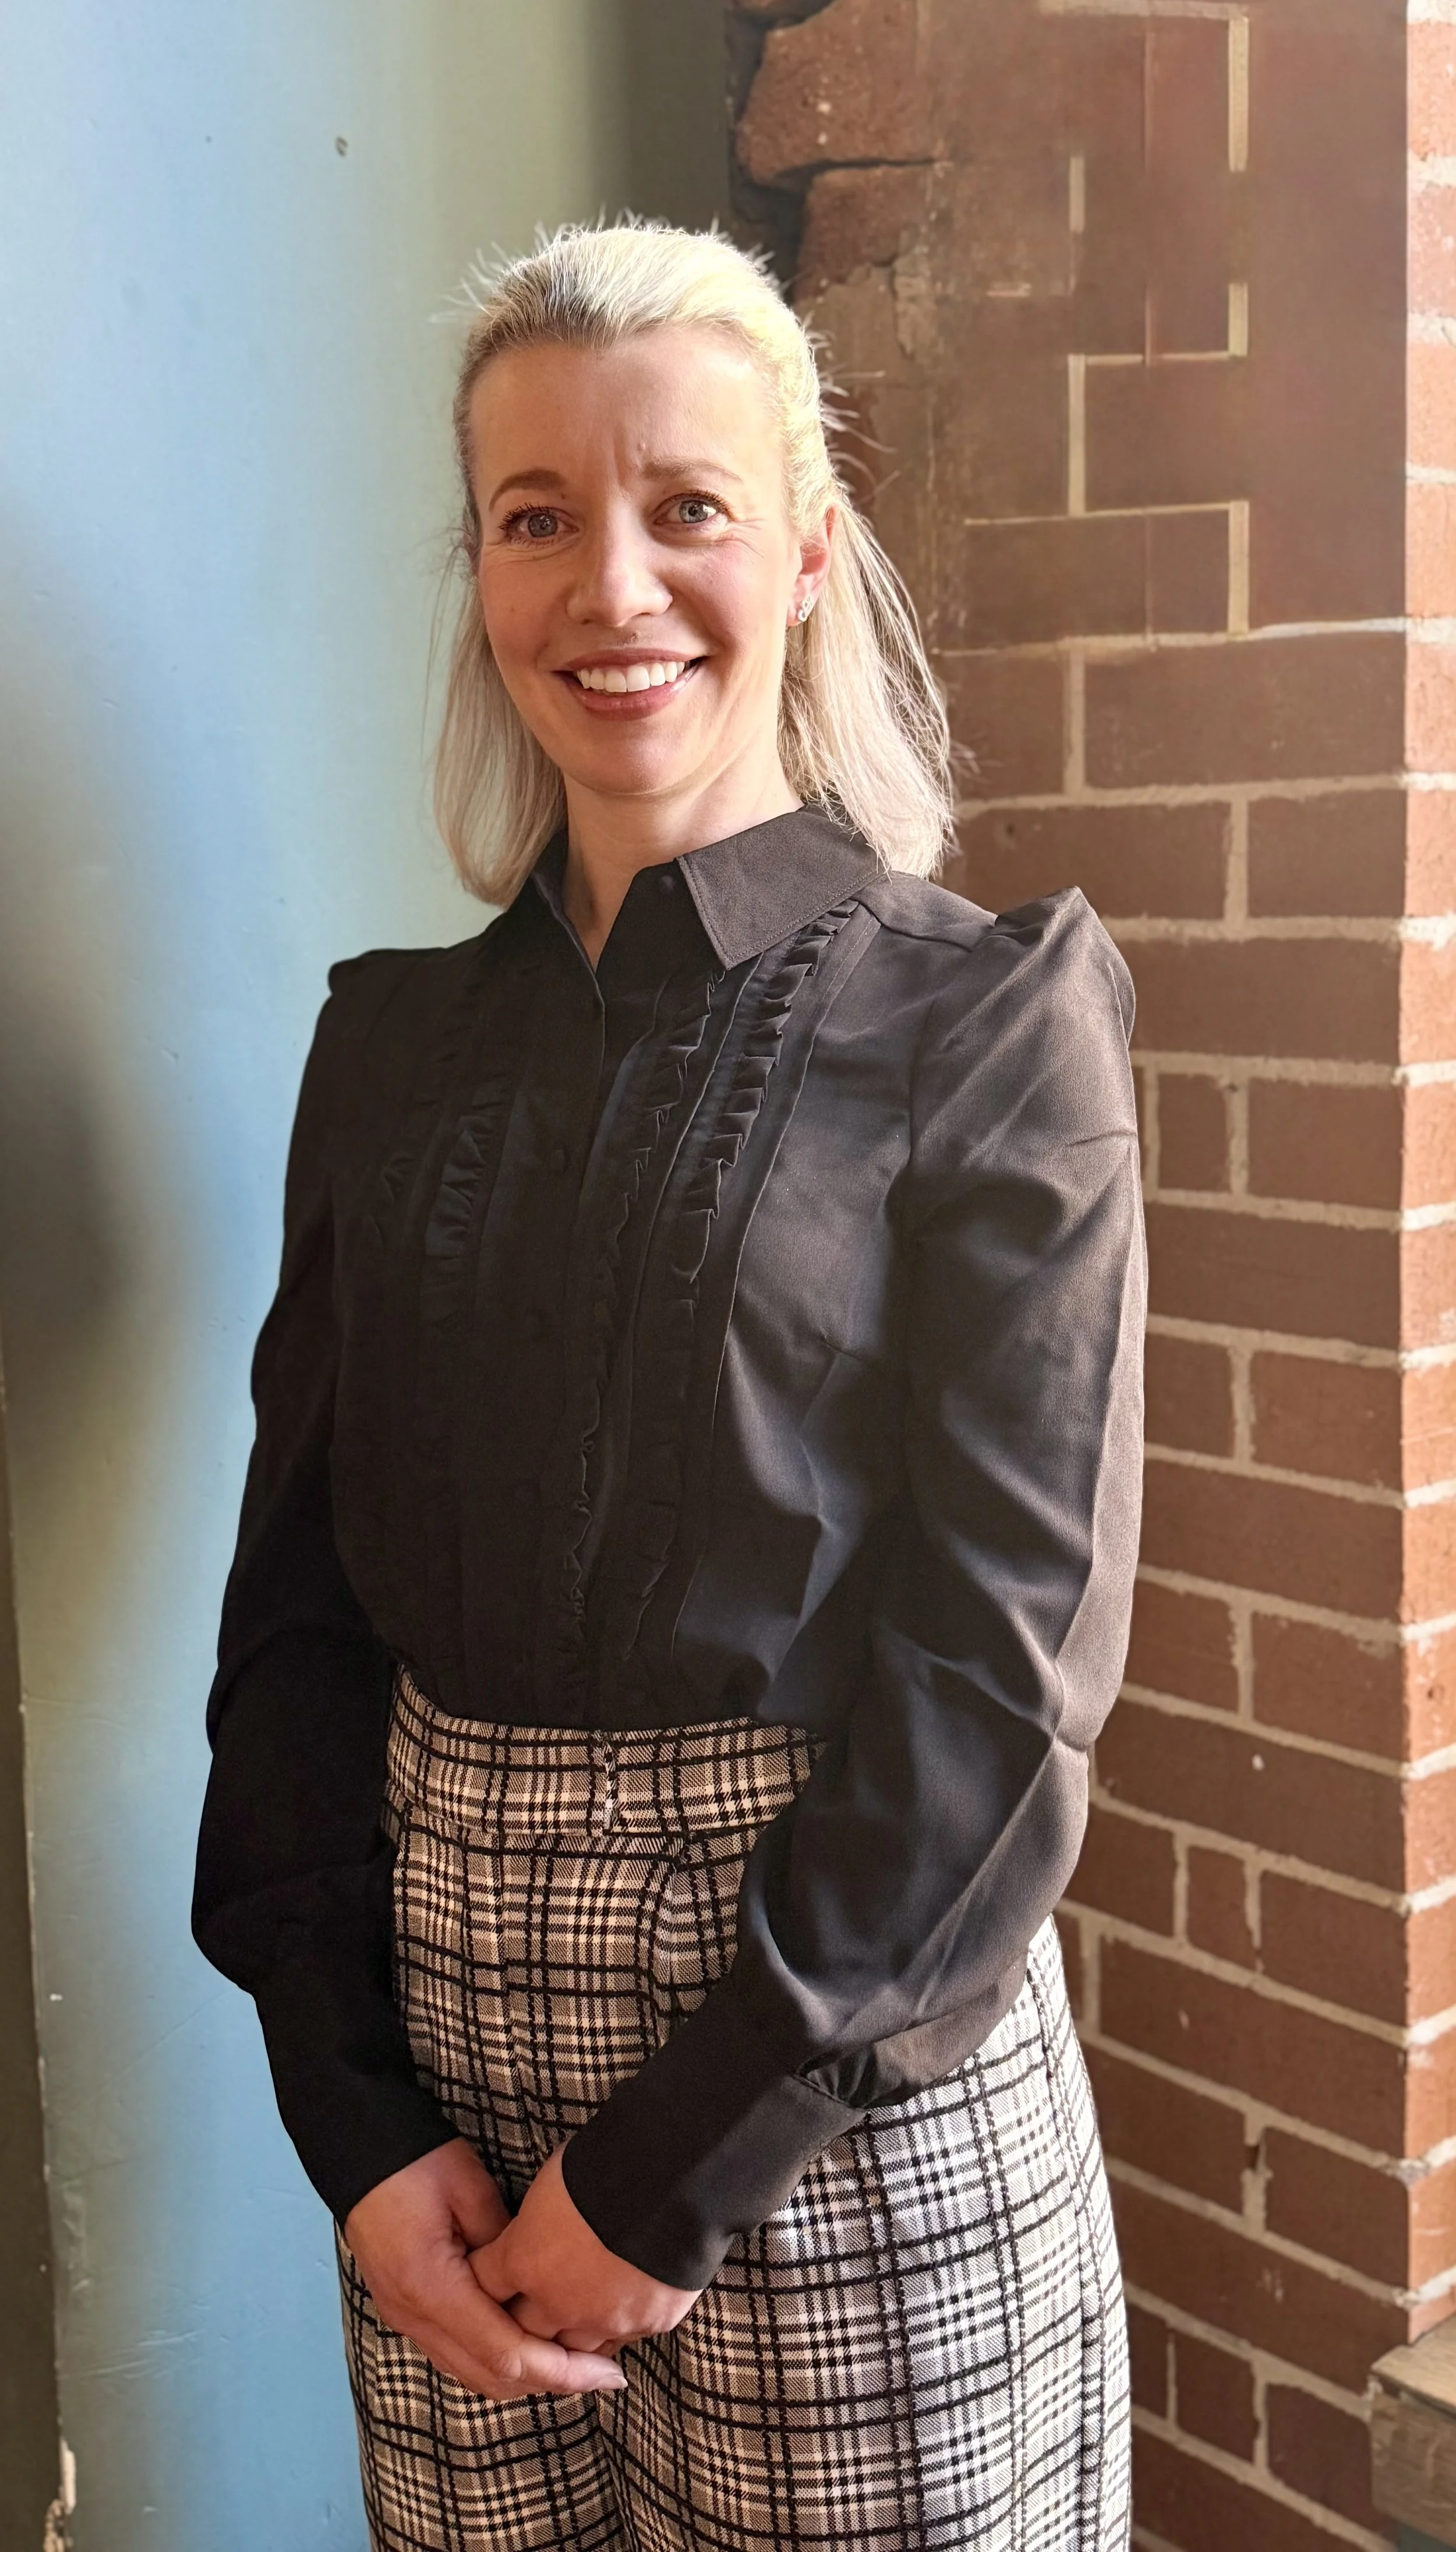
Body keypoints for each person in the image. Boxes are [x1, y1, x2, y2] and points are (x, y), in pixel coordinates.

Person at [193, 219, 1144, 2551]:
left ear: (806, 552)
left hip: (827, 2074)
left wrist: (676, 2157)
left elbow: (1001, 1677)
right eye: (536, 518)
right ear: (483, 568)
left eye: (684, 506)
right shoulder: (391, 1048)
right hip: (442, 2060)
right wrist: (354, 2120)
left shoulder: (987, 1021)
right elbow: (295, 1621)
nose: (610, 588)